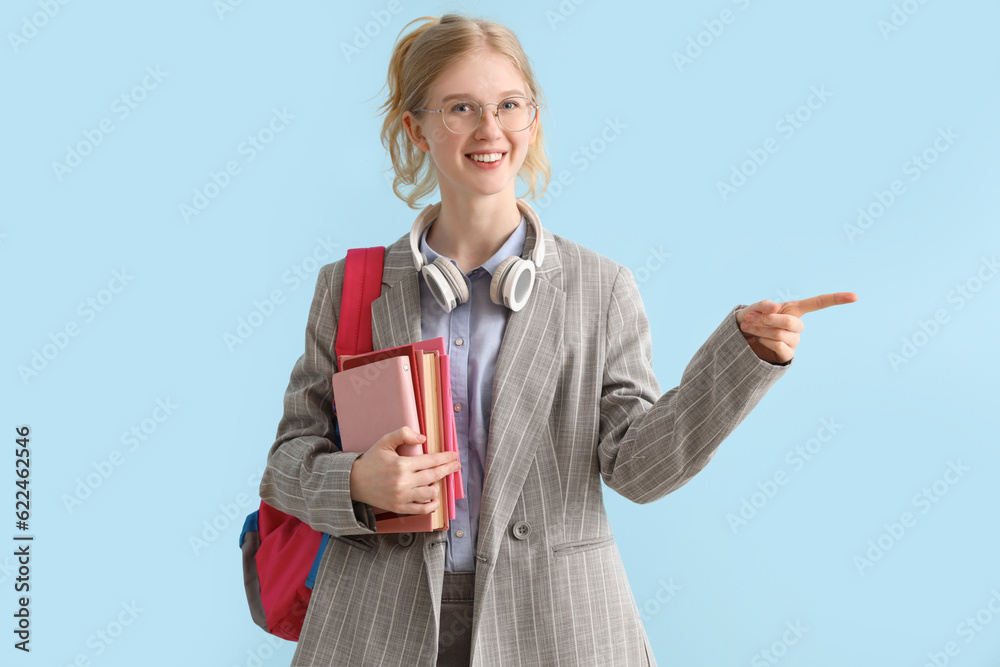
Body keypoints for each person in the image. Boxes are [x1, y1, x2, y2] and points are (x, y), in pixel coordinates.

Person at [258, 13, 856, 667]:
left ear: (532, 121)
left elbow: (639, 468)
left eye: (509, 105)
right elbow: (287, 463)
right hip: (378, 633)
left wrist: (745, 356)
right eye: (462, 107)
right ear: (417, 128)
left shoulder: (600, 288)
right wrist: (356, 481)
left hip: (557, 628)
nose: (491, 130)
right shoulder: (350, 286)